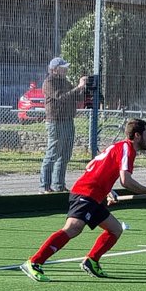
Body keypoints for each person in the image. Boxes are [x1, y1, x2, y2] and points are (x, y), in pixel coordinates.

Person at [20, 118, 146, 282]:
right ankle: (34, 262)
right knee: (73, 228)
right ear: (137, 135)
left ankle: (91, 261)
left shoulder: (120, 147)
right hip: (86, 193)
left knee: (115, 229)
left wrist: (107, 190)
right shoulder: (128, 149)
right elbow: (126, 181)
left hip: (94, 196)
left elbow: (94, 166)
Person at [38, 56, 88, 194]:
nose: (66, 69)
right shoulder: (49, 82)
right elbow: (61, 96)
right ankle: (44, 186)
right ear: (55, 70)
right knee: (53, 153)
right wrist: (78, 87)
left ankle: (59, 185)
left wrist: (82, 88)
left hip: (68, 120)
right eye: (63, 67)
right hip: (55, 121)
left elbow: (77, 97)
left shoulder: (65, 81)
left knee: (65, 154)